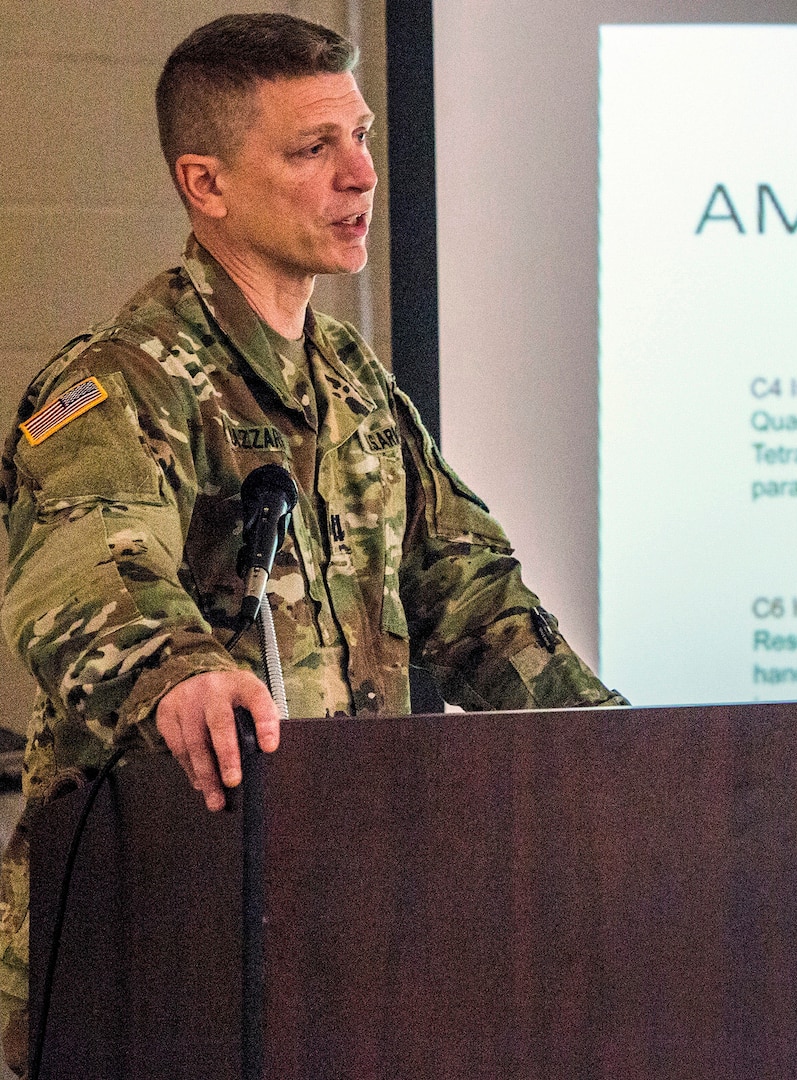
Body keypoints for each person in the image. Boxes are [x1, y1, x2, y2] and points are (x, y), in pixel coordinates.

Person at [0, 14, 625, 1069]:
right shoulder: (122, 384)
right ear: (207, 184)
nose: (363, 174)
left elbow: (472, 591)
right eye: (313, 149)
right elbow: (85, 559)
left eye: (364, 135)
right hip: (153, 949)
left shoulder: (353, 381)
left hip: (337, 941)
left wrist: (621, 751)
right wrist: (180, 672)